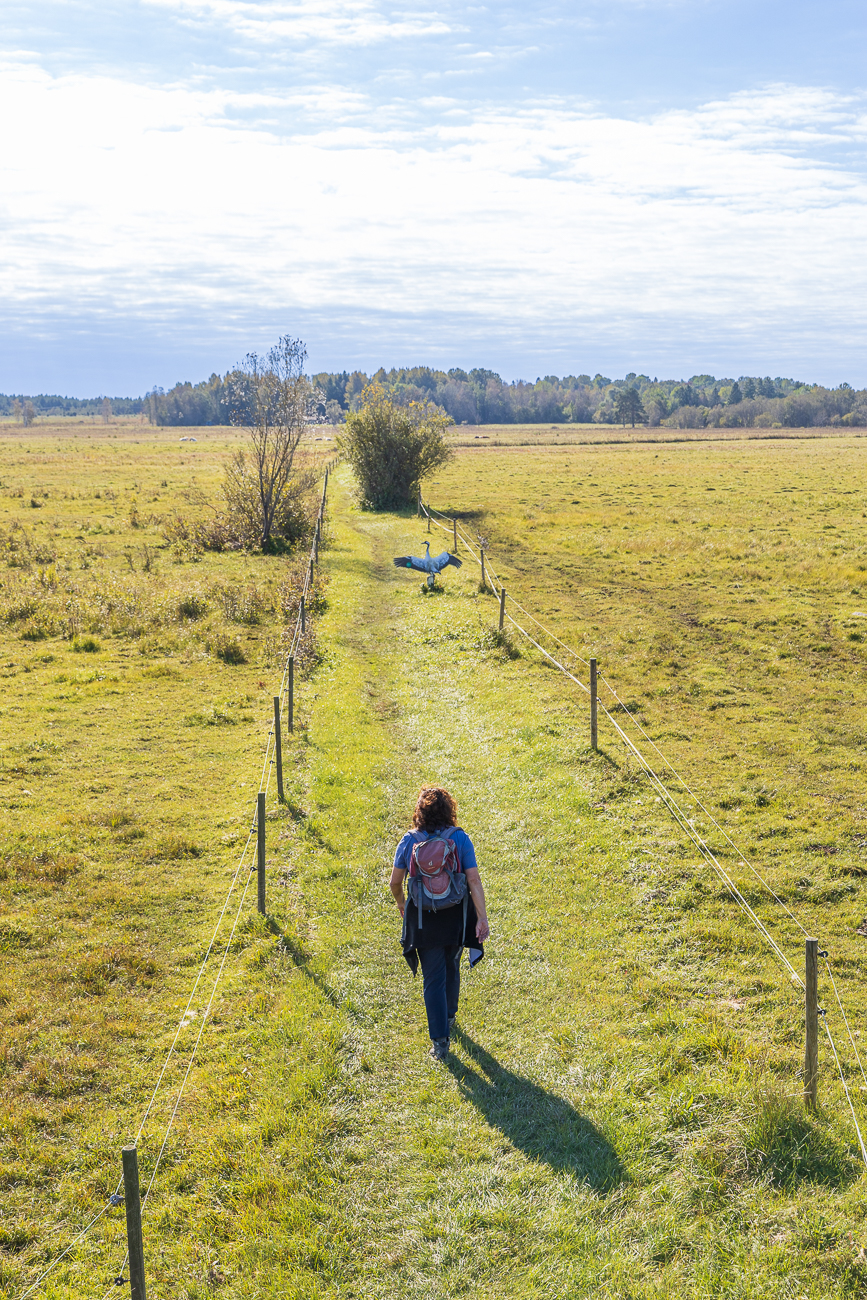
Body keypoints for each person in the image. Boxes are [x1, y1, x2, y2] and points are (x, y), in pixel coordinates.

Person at [390, 786, 490, 1062]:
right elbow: (473, 880)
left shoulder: (409, 841)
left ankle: (440, 1042)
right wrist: (481, 917)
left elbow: (395, 883)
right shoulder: (459, 839)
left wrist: (401, 903)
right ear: (450, 811)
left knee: (432, 978)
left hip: (423, 918)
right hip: (456, 914)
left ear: (419, 813)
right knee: (452, 964)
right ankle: (449, 1015)